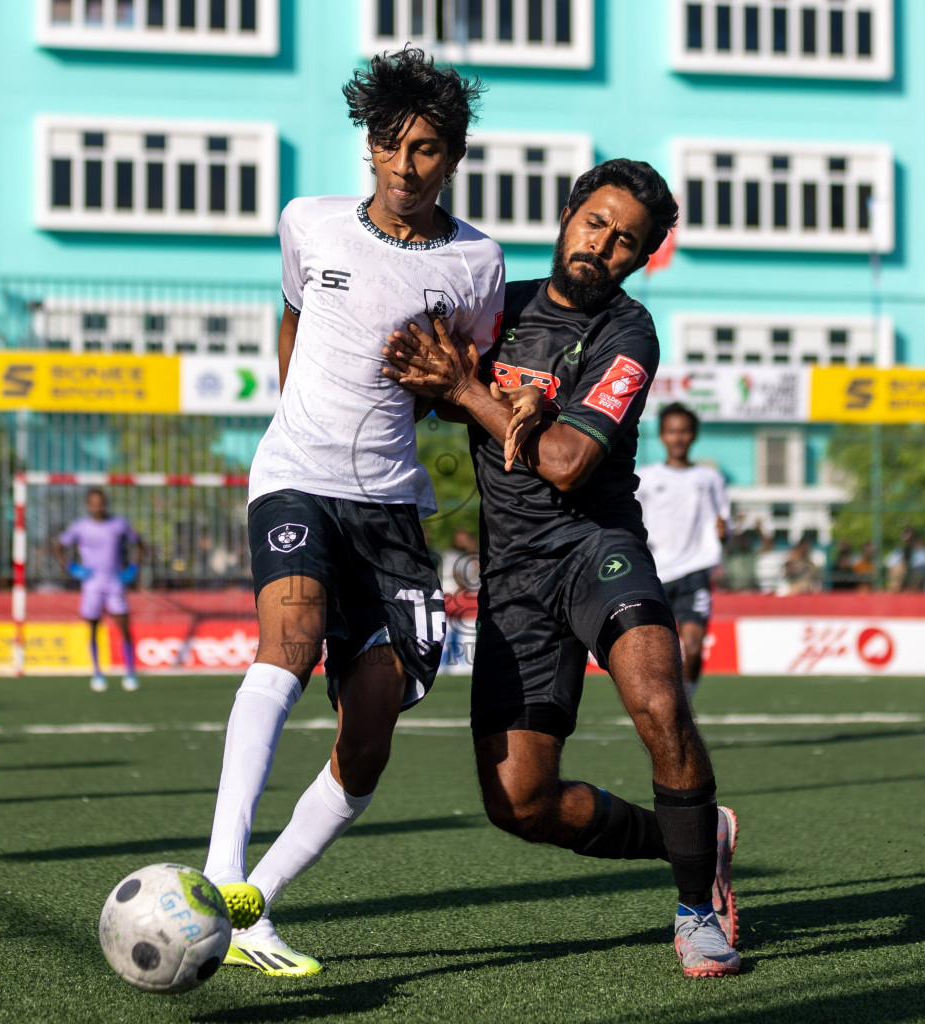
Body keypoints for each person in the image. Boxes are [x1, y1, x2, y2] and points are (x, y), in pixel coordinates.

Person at [386, 158, 743, 977]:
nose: (603, 247)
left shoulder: (628, 332)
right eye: (596, 224)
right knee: (520, 803)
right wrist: (436, 376)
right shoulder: (495, 310)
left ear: (644, 256)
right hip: (511, 575)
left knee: (659, 699)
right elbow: (412, 381)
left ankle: (696, 914)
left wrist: (471, 391)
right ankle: (695, 838)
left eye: (627, 242)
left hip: (597, 546)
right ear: (568, 213)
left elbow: (570, 460)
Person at [201, 47, 512, 977]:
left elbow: (462, 377)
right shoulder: (310, 223)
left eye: (425, 150)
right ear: (368, 145)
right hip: (293, 475)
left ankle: (258, 908)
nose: (403, 166)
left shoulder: (478, 263)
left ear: (452, 156)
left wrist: (447, 389)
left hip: (391, 508)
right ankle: (217, 884)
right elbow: (294, 315)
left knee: (369, 734)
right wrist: (297, 410)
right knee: (287, 642)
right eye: (389, 145)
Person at [636, 404, 728, 704]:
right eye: (672, 431)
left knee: (693, 648)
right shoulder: (645, 478)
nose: (679, 438)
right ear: (663, 436)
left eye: (684, 431)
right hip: (655, 573)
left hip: (695, 573)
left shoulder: (710, 478)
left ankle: (684, 703)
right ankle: (666, 707)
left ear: (694, 435)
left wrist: (723, 532)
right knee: (655, 655)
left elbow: (722, 521)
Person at [55, 488, 146, 693]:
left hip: (115, 581)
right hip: (92, 583)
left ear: (106, 503)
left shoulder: (118, 524)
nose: (97, 506)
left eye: (101, 502)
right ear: (88, 505)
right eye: (93, 503)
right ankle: (97, 672)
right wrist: (70, 567)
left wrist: (133, 568)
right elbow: (58, 546)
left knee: (124, 626)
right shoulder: (80, 527)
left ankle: (130, 672)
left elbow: (139, 544)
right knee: (94, 627)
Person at [885, 527, 925, 593]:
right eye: (905, 540)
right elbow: (889, 564)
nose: (907, 542)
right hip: (901, 579)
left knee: (917, 573)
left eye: (909, 540)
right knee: (898, 570)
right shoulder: (897, 552)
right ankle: (893, 594)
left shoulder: (922, 552)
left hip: (916, 580)